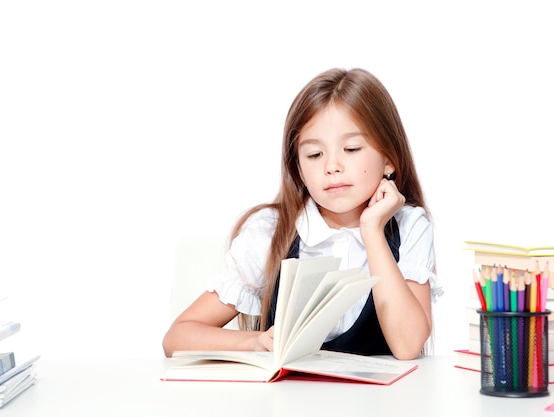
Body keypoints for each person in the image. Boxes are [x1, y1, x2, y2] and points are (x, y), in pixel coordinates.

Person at [162, 68, 442, 360]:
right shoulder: (270, 231)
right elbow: (177, 337)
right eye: (314, 154)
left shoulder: (409, 226)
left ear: (389, 160)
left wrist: (372, 230)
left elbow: (407, 345)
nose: (332, 166)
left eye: (351, 148)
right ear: (299, 170)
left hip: (378, 405)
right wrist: (254, 342)